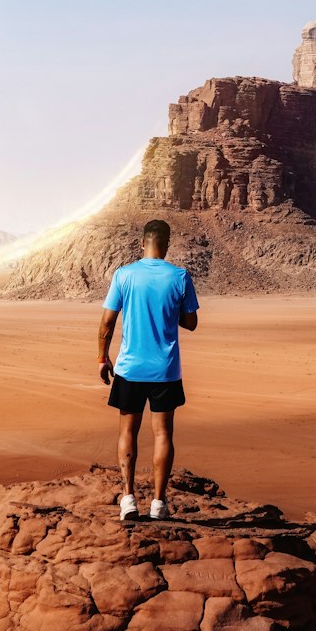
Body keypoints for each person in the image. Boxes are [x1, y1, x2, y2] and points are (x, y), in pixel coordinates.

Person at [97, 218, 200, 522]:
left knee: (128, 431)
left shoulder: (124, 275)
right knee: (163, 434)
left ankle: (128, 498)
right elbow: (191, 322)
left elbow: (107, 322)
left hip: (130, 368)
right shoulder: (180, 276)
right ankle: (159, 503)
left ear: (141, 244)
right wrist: (169, 313)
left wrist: (102, 358)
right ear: (167, 245)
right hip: (165, 371)